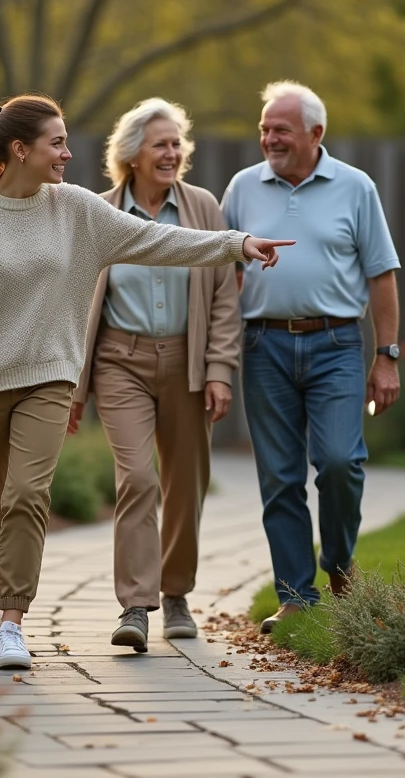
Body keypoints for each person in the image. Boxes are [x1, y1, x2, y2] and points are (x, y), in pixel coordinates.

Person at [0, 94, 292, 670]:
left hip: (48, 377)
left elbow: (157, 240)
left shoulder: (75, 209)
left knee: (27, 495)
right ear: (20, 149)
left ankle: (15, 621)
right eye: (57, 143)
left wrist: (233, 244)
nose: (69, 154)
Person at [221, 81, 402, 634]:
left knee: (341, 462)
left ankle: (340, 565)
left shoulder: (355, 187)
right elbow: (223, 270)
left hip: (337, 345)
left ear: (315, 134)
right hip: (263, 346)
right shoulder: (241, 189)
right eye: (264, 130)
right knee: (279, 476)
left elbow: (382, 275)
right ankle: (297, 595)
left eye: (281, 130)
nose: (269, 139)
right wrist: (217, 354)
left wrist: (386, 356)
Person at [69, 98, 240, 652]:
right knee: (138, 478)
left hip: (187, 361)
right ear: (132, 154)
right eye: (160, 144)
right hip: (121, 362)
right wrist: (74, 387)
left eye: (176, 144)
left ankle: (175, 595)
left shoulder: (203, 207)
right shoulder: (99, 212)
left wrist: (219, 369)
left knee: (186, 484)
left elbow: (223, 299)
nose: (172, 153)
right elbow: (74, 303)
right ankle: (136, 606)